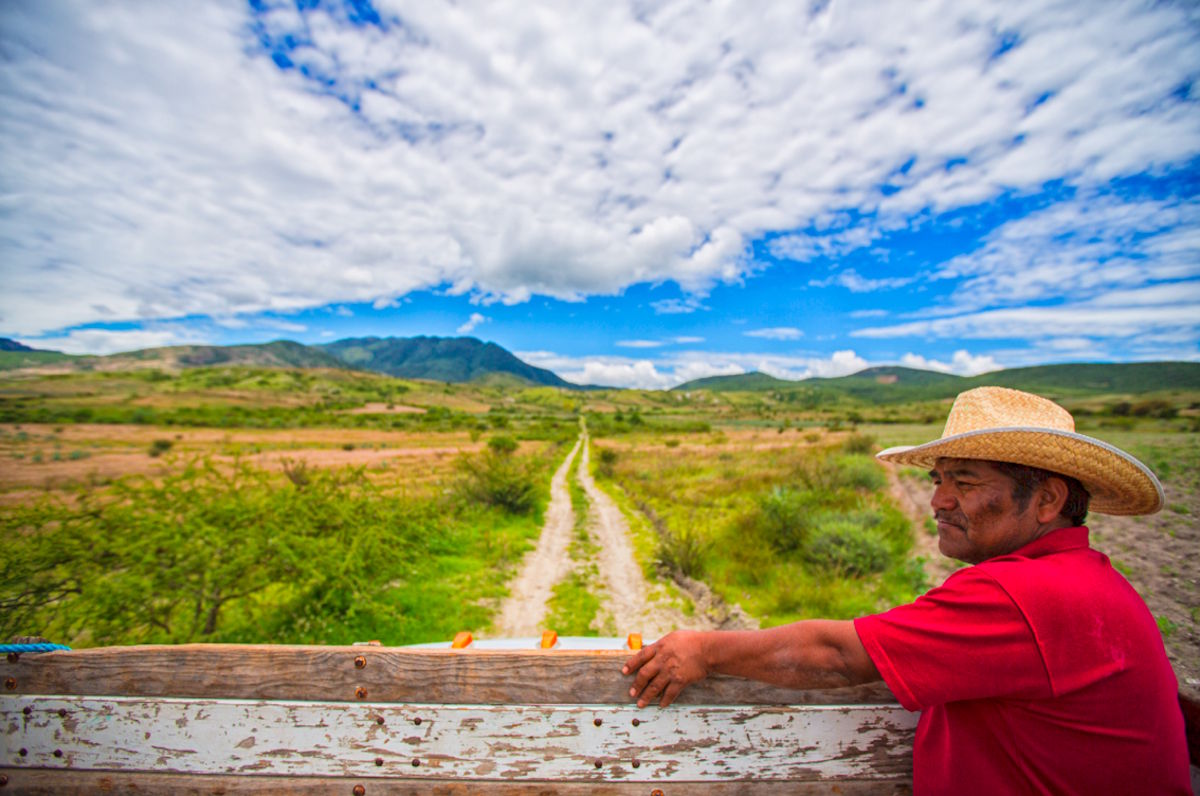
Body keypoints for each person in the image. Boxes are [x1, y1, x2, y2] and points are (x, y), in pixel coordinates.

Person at [622, 386, 1190, 794]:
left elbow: (839, 656)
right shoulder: (1091, 580)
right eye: (937, 479)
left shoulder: (1023, 595)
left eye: (964, 482)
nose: (939, 500)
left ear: (1047, 500)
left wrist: (704, 649)